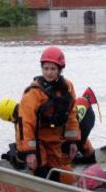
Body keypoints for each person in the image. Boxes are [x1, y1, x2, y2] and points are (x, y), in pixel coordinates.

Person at [16, 46, 81, 184]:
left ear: (59, 69)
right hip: (38, 141)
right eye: (46, 68)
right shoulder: (34, 93)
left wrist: (73, 141)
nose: (49, 73)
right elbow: (26, 123)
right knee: (42, 173)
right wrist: (29, 152)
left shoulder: (67, 87)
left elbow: (71, 115)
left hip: (56, 140)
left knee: (67, 178)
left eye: (53, 69)